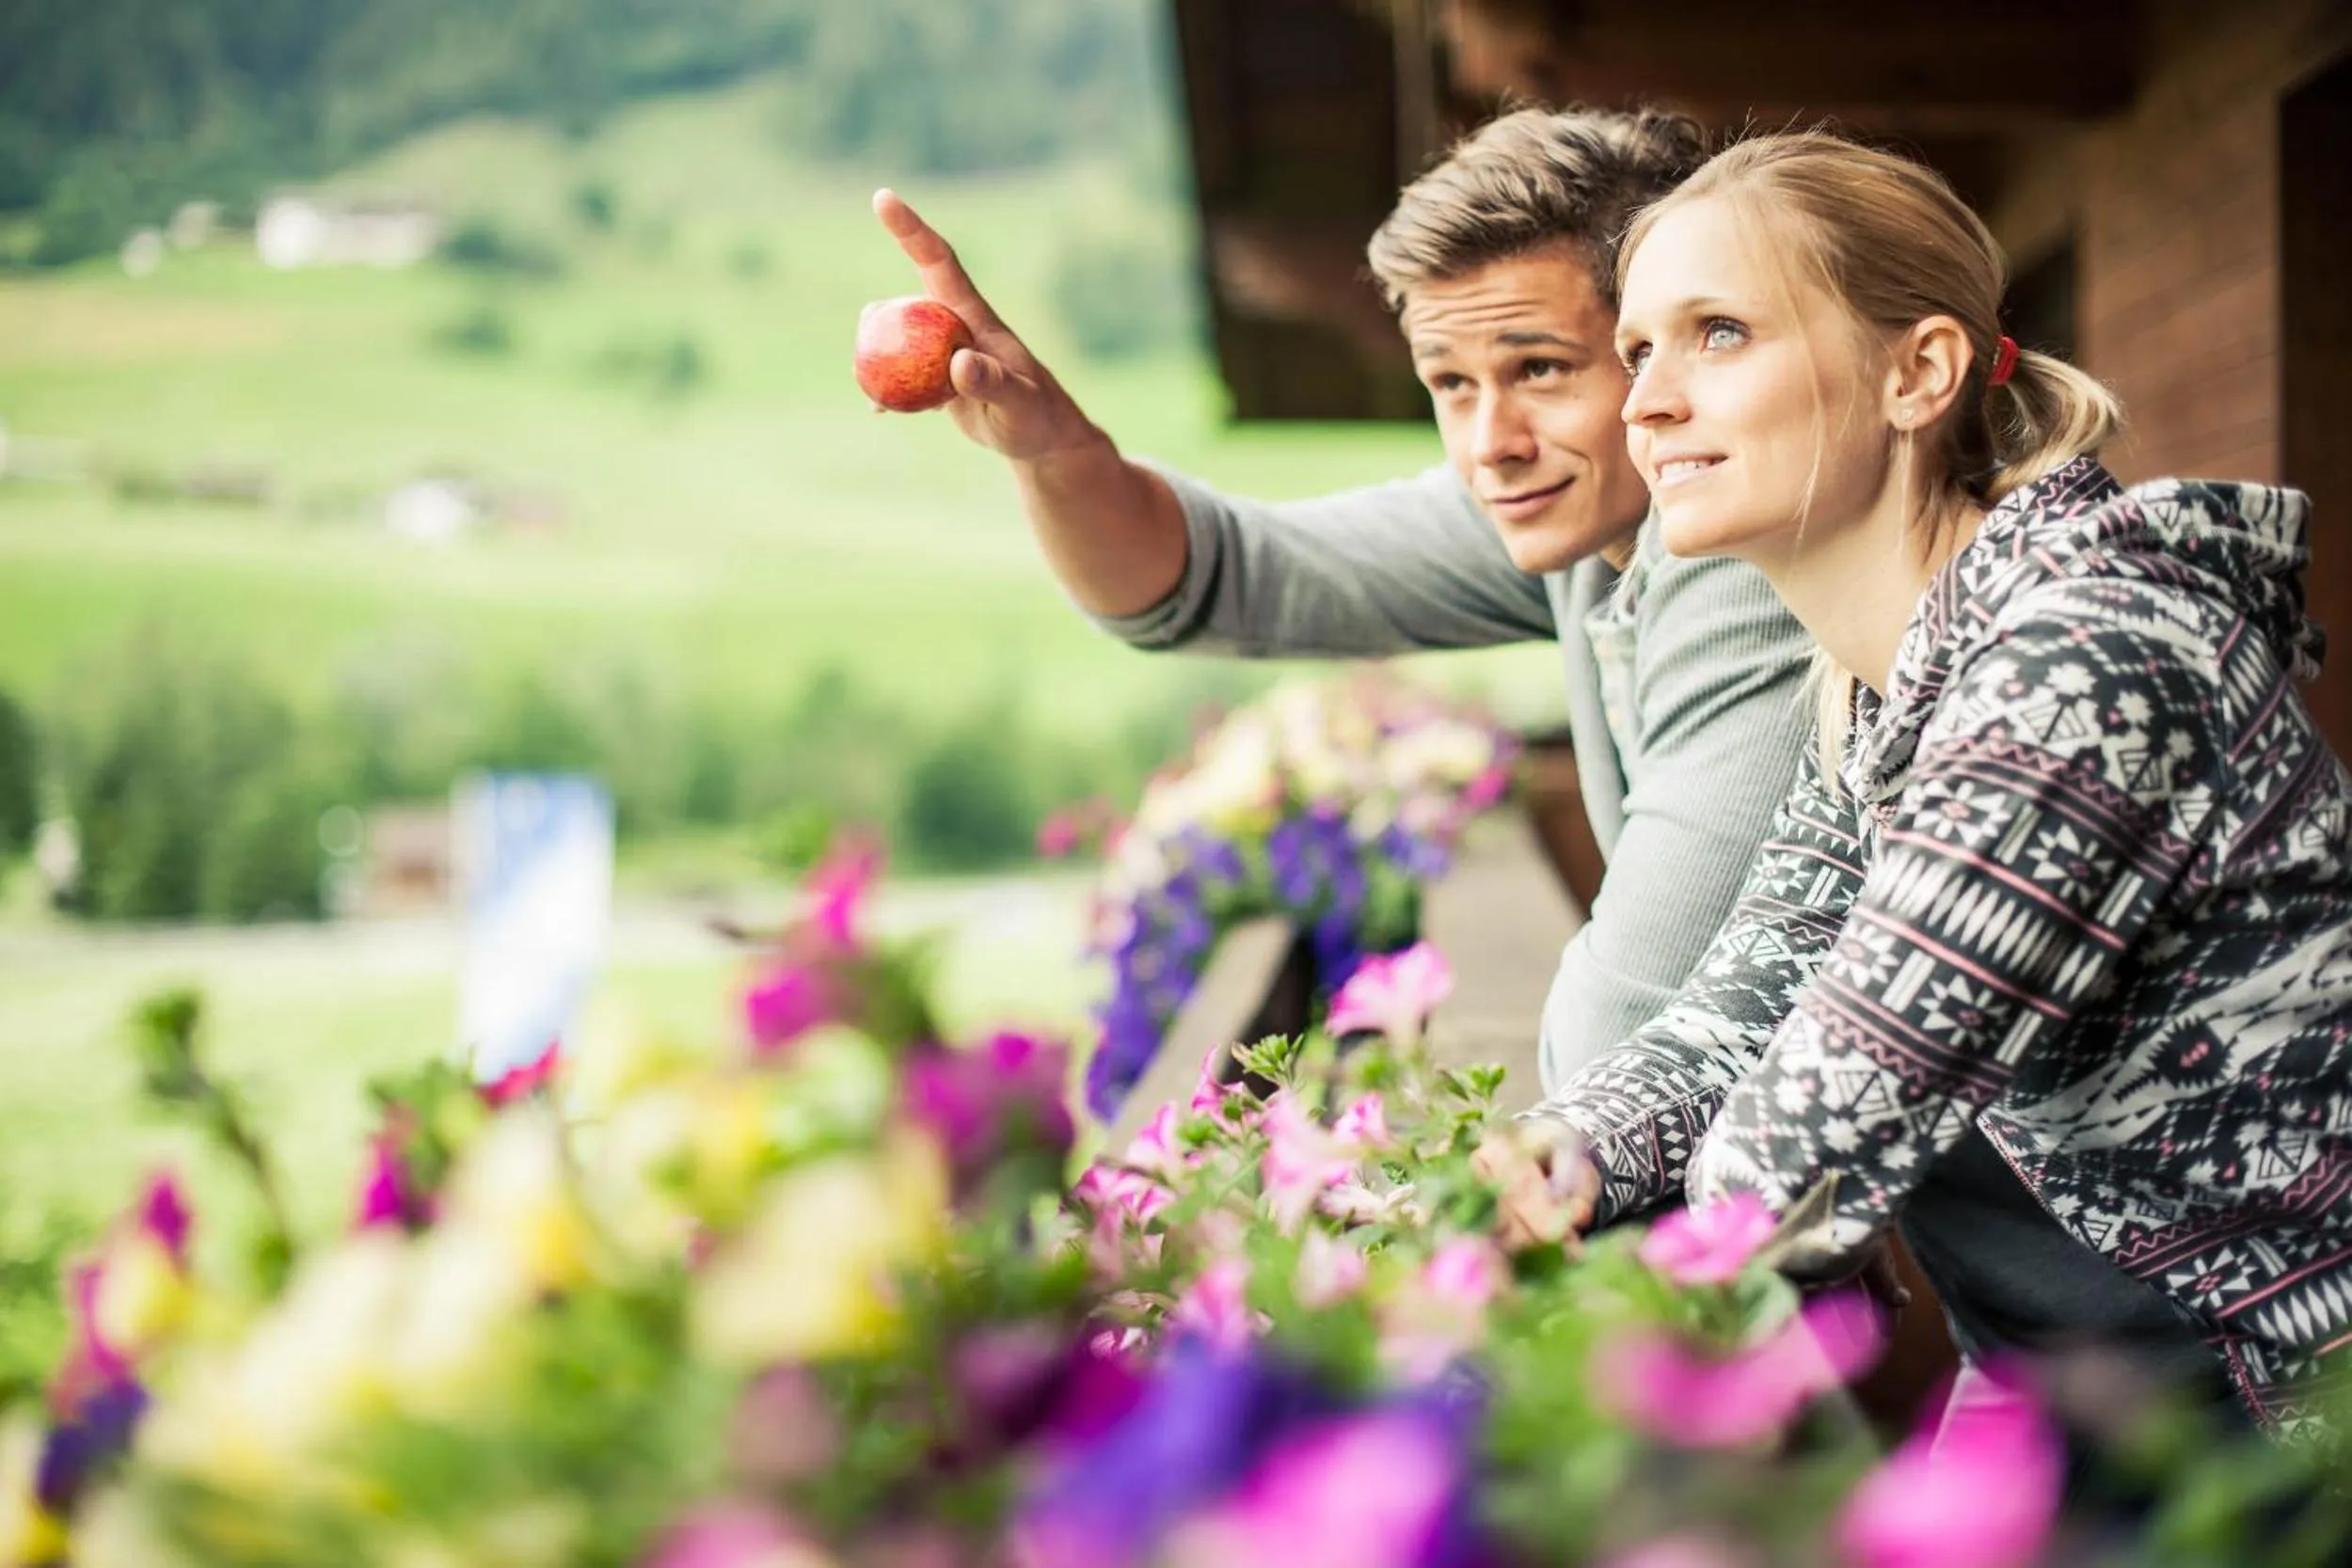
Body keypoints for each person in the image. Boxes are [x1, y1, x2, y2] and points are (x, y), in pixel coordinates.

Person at [1516, 129, 2352, 1437]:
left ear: (1917, 372)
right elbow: (1740, 1009)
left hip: (2287, 1428)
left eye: (1719, 332)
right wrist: (1553, 1153)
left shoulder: (2085, 661)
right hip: (2074, 1388)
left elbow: (1823, 1120)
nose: (1644, 403)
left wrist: (1476, 1268)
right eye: (1636, 350)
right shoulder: (1881, 687)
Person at [872, 106, 1817, 1108]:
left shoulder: (1745, 563)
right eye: (1450, 383)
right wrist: (1052, 453)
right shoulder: (1582, 503)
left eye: (1539, 369)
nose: (1490, 441)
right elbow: (1215, 581)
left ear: (1661, 347)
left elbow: (1625, 1027)